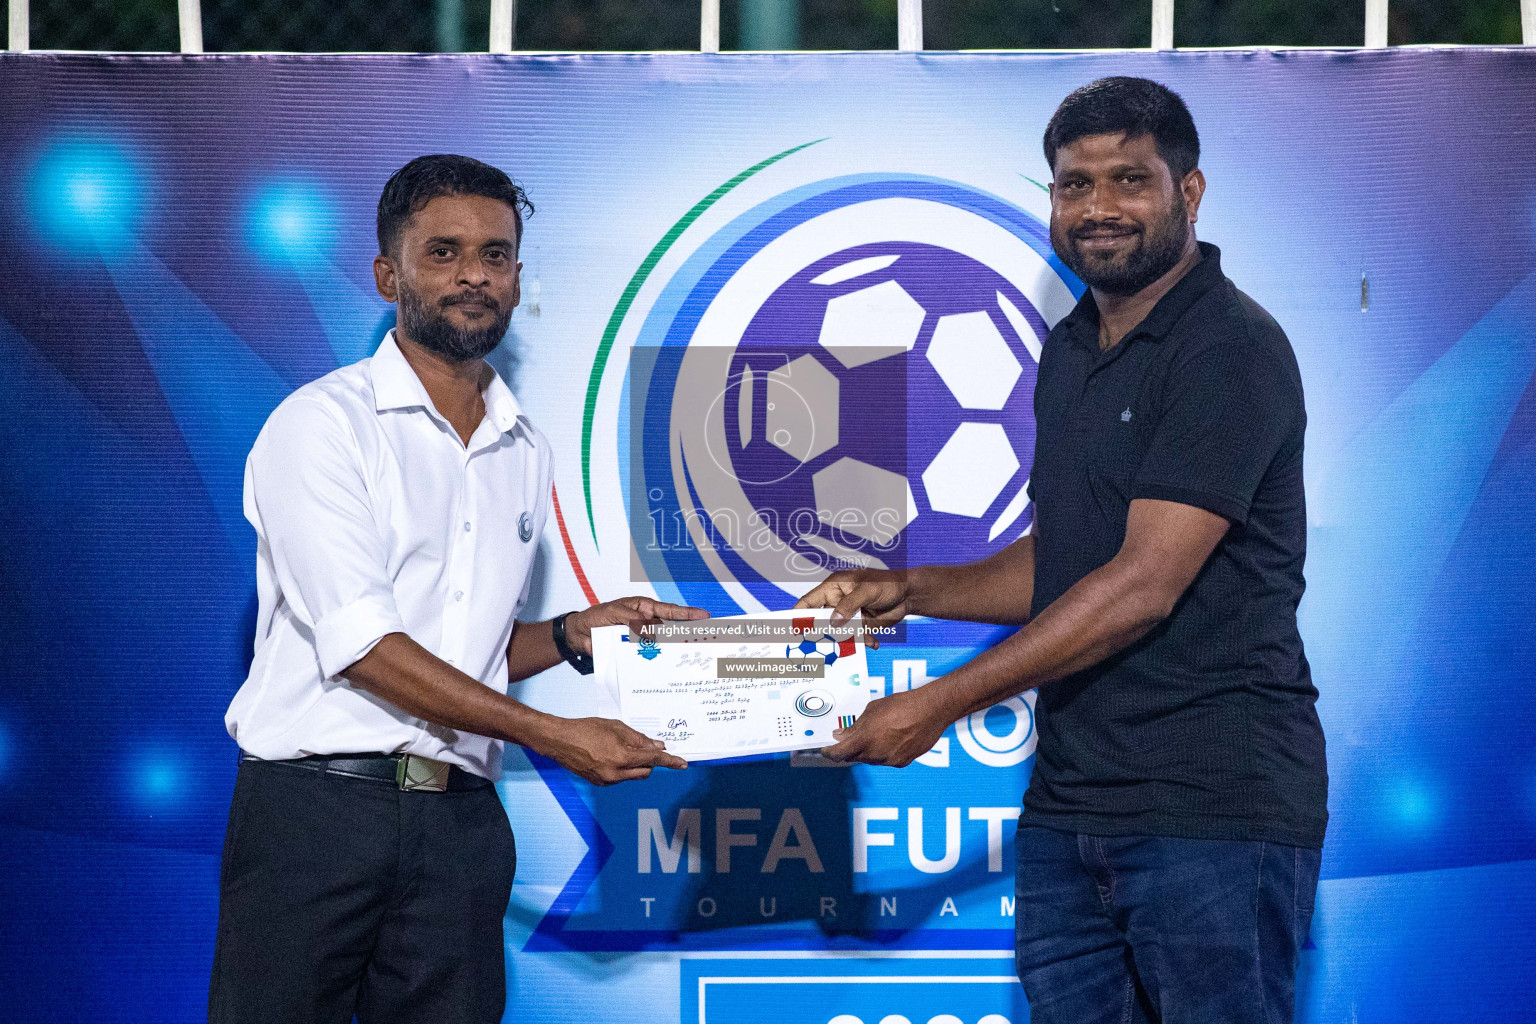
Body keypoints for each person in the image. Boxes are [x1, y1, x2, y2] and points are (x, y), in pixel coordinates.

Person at [797, 77, 1326, 1024]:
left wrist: (939, 704)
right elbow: (1070, 561)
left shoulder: (1229, 348)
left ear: (1190, 192)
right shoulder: (1072, 346)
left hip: (1213, 809)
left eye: (1129, 180)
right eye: (1073, 185)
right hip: (1073, 806)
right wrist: (910, 588)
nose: (1098, 210)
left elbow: (1141, 586)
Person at [209, 154, 703, 1024]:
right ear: (387, 275)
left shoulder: (527, 447)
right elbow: (365, 648)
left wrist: (571, 634)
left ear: (517, 280)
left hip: (462, 827)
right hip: (317, 815)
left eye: (497, 254)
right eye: (443, 252)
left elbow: (464, 650)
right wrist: (553, 733)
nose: (474, 273)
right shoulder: (320, 426)